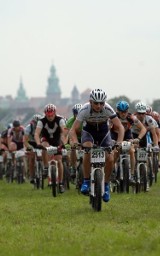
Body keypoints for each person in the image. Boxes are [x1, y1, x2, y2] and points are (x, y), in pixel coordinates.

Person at [69, 89, 124, 202]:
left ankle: (107, 185)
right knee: (87, 150)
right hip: (89, 131)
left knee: (110, 157)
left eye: (101, 103)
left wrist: (119, 143)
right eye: (96, 103)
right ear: (90, 102)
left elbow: (120, 127)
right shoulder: (84, 109)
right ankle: (86, 180)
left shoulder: (108, 108)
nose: (99, 106)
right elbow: (73, 130)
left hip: (103, 131)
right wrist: (75, 142)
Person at [110, 100, 146, 184]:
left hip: (127, 134)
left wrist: (138, 138)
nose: (123, 114)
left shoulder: (131, 118)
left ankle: (132, 175)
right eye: (121, 112)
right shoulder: (113, 117)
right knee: (115, 152)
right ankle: (111, 171)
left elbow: (143, 129)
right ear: (117, 111)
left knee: (132, 151)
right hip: (114, 135)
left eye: (125, 112)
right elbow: (107, 129)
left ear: (128, 111)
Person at [34, 103, 68, 193]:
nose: (50, 117)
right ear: (45, 114)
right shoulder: (41, 121)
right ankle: (45, 167)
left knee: (59, 160)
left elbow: (65, 132)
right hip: (46, 138)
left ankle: (60, 183)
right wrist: (38, 143)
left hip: (57, 140)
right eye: (48, 115)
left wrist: (64, 143)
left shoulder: (60, 120)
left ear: (55, 113)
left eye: (51, 115)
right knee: (44, 146)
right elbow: (37, 134)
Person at [24, 114, 43, 183]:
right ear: (33, 122)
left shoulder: (43, 127)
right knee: (31, 158)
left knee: (43, 154)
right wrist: (29, 148)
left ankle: (43, 169)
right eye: (36, 123)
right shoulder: (28, 128)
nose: (37, 125)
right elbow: (25, 140)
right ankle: (32, 176)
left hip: (39, 142)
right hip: (31, 143)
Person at [66, 103, 82, 179]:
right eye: (76, 113)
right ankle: (73, 167)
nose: (77, 115)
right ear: (74, 113)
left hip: (85, 137)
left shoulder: (86, 120)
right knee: (72, 148)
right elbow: (69, 135)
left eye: (79, 113)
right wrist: (72, 143)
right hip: (74, 137)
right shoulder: (70, 122)